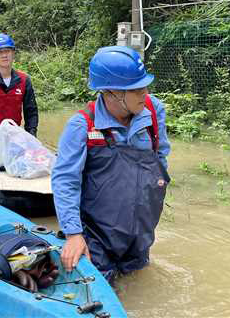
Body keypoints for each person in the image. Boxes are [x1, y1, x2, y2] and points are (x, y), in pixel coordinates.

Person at [51, 45, 171, 283]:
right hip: (98, 234)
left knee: (139, 283)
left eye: (145, 86)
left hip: (140, 231)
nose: (144, 94)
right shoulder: (82, 125)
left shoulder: (154, 112)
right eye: (136, 90)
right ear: (111, 93)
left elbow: (161, 156)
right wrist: (73, 234)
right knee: (104, 292)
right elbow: (66, 181)